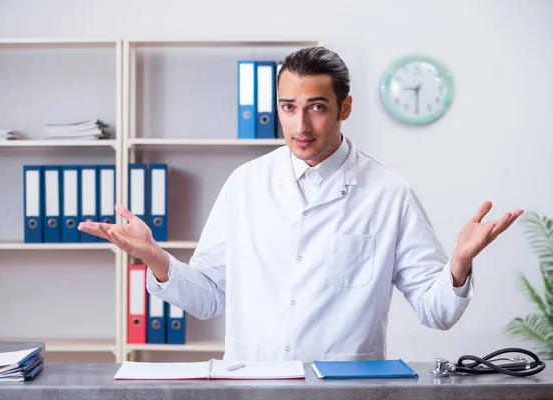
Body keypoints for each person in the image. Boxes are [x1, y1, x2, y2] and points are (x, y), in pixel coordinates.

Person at [78, 46, 522, 362]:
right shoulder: (245, 184)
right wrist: (155, 257)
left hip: (346, 390)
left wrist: (459, 262)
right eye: (288, 107)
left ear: (344, 108)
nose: (300, 124)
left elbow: (437, 311)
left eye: (317, 107)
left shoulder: (389, 193)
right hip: (253, 383)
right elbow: (210, 298)